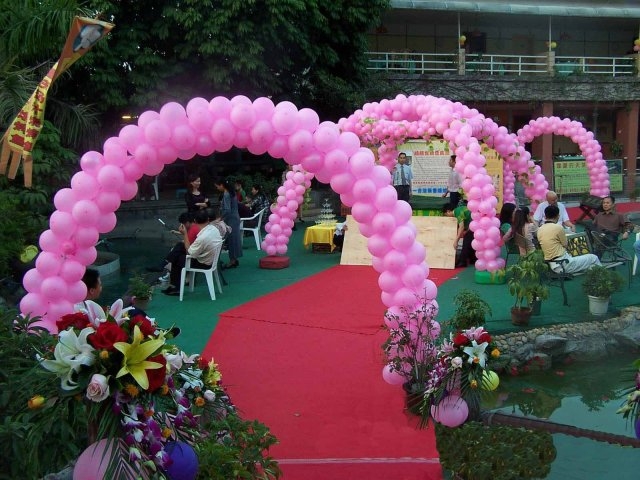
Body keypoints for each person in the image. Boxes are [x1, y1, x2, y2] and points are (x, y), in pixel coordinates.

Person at [162, 210, 223, 296]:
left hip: (204, 263)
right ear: (208, 219)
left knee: (176, 259)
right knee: (179, 247)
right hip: (211, 260)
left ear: (195, 221)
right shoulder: (213, 229)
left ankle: (175, 286)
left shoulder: (202, 237)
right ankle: (166, 266)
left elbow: (189, 253)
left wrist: (185, 234)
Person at [537, 205, 600, 274]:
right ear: (558, 216)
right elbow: (565, 245)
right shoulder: (558, 228)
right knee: (593, 258)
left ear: (545, 216)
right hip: (563, 263)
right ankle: (602, 276)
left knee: (588, 265)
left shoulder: (539, 229)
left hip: (552, 264)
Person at [215, 178, 242, 269]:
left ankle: (232, 261)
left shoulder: (226, 194)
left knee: (231, 240)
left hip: (231, 219)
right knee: (234, 239)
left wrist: (220, 218)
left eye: (217, 186)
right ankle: (234, 259)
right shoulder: (232, 192)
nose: (217, 188)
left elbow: (227, 210)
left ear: (221, 185)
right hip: (235, 218)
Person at [443, 202, 476, 268]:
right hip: (474, 223)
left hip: (476, 224)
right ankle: (473, 259)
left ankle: (463, 262)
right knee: (470, 240)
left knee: (466, 242)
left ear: (448, 211)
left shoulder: (457, 212)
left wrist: (456, 241)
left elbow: (461, 227)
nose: (447, 217)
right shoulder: (459, 209)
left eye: (446, 215)